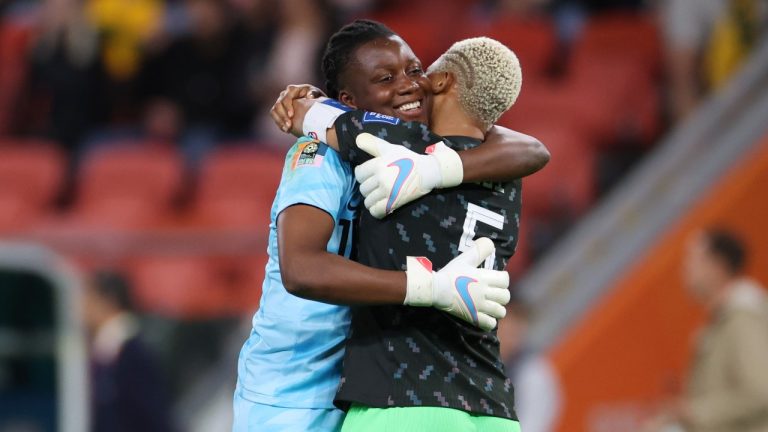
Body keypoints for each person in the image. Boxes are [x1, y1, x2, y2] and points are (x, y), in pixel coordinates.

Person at [235, 20, 548, 432]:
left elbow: (531, 148)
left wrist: (438, 167)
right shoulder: (319, 156)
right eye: (386, 78)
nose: (410, 85)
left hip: (370, 389)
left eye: (415, 70)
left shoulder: (423, 150)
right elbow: (301, 270)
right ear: (347, 101)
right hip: (295, 392)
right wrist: (429, 288)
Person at [646, 228, 768, 432]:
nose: (685, 270)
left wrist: (693, 412)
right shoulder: (725, 321)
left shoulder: (743, 319)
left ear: (717, 266)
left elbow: (762, 390)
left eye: (693, 260)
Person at [82, 269, 173, 432]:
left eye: (88, 299)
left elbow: (152, 415)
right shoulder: (107, 350)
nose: (81, 308)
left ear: (107, 301)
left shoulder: (131, 354)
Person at [498, 301, 561, 432]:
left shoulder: (533, 373)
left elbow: (531, 426)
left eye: (510, 332)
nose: (504, 338)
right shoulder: (485, 365)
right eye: (501, 330)